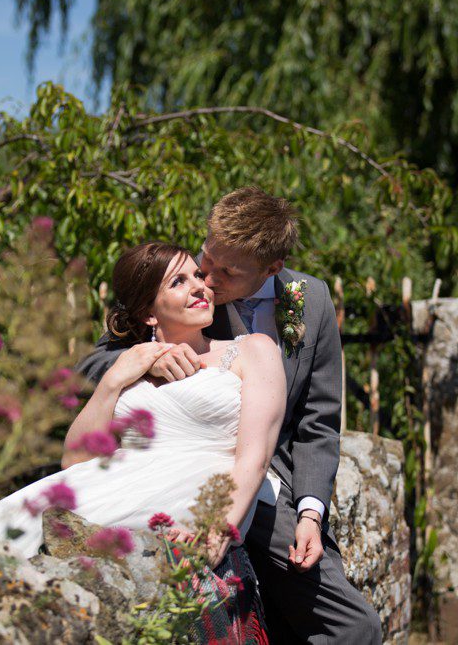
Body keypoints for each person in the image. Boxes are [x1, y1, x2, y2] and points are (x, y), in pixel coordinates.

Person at [80, 188, 383, 644]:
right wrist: (149, 356)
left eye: (226, 271)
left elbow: (318, 422)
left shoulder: (310, 300)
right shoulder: (185, 284)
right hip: (180, 473)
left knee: (352, 628)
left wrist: (310, 513)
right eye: (206, 255)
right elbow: (93, 364)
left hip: (270, 486)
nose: (206, 276)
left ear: (271, 269)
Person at [0, 242, 286, 632]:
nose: (200, 287)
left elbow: (254, 456)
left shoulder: (251, 351)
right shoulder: (130, 362)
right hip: (120, 476)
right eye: (179, 281)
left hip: (197, 485)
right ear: (148, 313)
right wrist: (117, 376)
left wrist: (219, 528)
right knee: (0, 528)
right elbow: (75, 459)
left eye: (197, 275)